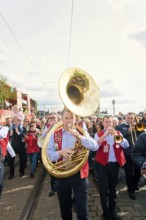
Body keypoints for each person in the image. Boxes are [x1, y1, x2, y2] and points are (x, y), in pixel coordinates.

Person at [47, 109, 98, 220]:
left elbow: (95, 146)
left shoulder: (82, 132)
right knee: (65, 209)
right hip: (62, 175)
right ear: (62, 119)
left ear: (75, 119)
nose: (69, 121)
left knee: (82, 211)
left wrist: (79, 136)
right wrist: (60, 152)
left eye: (71, 118)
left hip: (80, 175)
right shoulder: (55, 134)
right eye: (66, 118)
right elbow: (49, 154)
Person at [94, 115, 129, 220]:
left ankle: (112, 211)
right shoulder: (98, 134)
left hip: (114, 165)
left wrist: (115, 135)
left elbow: (126, 145)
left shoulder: (118, 133)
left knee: (113, 189)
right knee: (104, 190)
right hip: (102, 166)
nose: (108, 124)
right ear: (103, 123)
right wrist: (105, 135)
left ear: (113, 123)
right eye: (106, 122)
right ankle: (106, 213)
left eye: (110, 122)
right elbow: (95, 145)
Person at [118, 112, 142, 200]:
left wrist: (137, 127)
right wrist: (127, 131)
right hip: (127, 153)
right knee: (129, 172)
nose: (130, 120)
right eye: (128, 118)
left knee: (138, 171)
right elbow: (118, 136)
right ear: (125, 118)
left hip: (138, 153)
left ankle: (135, 184)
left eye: (132, 118)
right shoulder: (121, 126)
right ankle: (131, 190)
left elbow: (143, 134)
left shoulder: (138, 126)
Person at [42, 112, 58, 197]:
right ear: (48, 120)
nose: (52, 119)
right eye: (51, 118)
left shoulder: (61, 126)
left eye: (54, 118)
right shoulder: (46, 128)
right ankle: (53, 188)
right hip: (51, 153)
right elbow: (43, 136)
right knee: (52, 172)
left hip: (60, 152)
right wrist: (50, 127)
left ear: (57, 119)